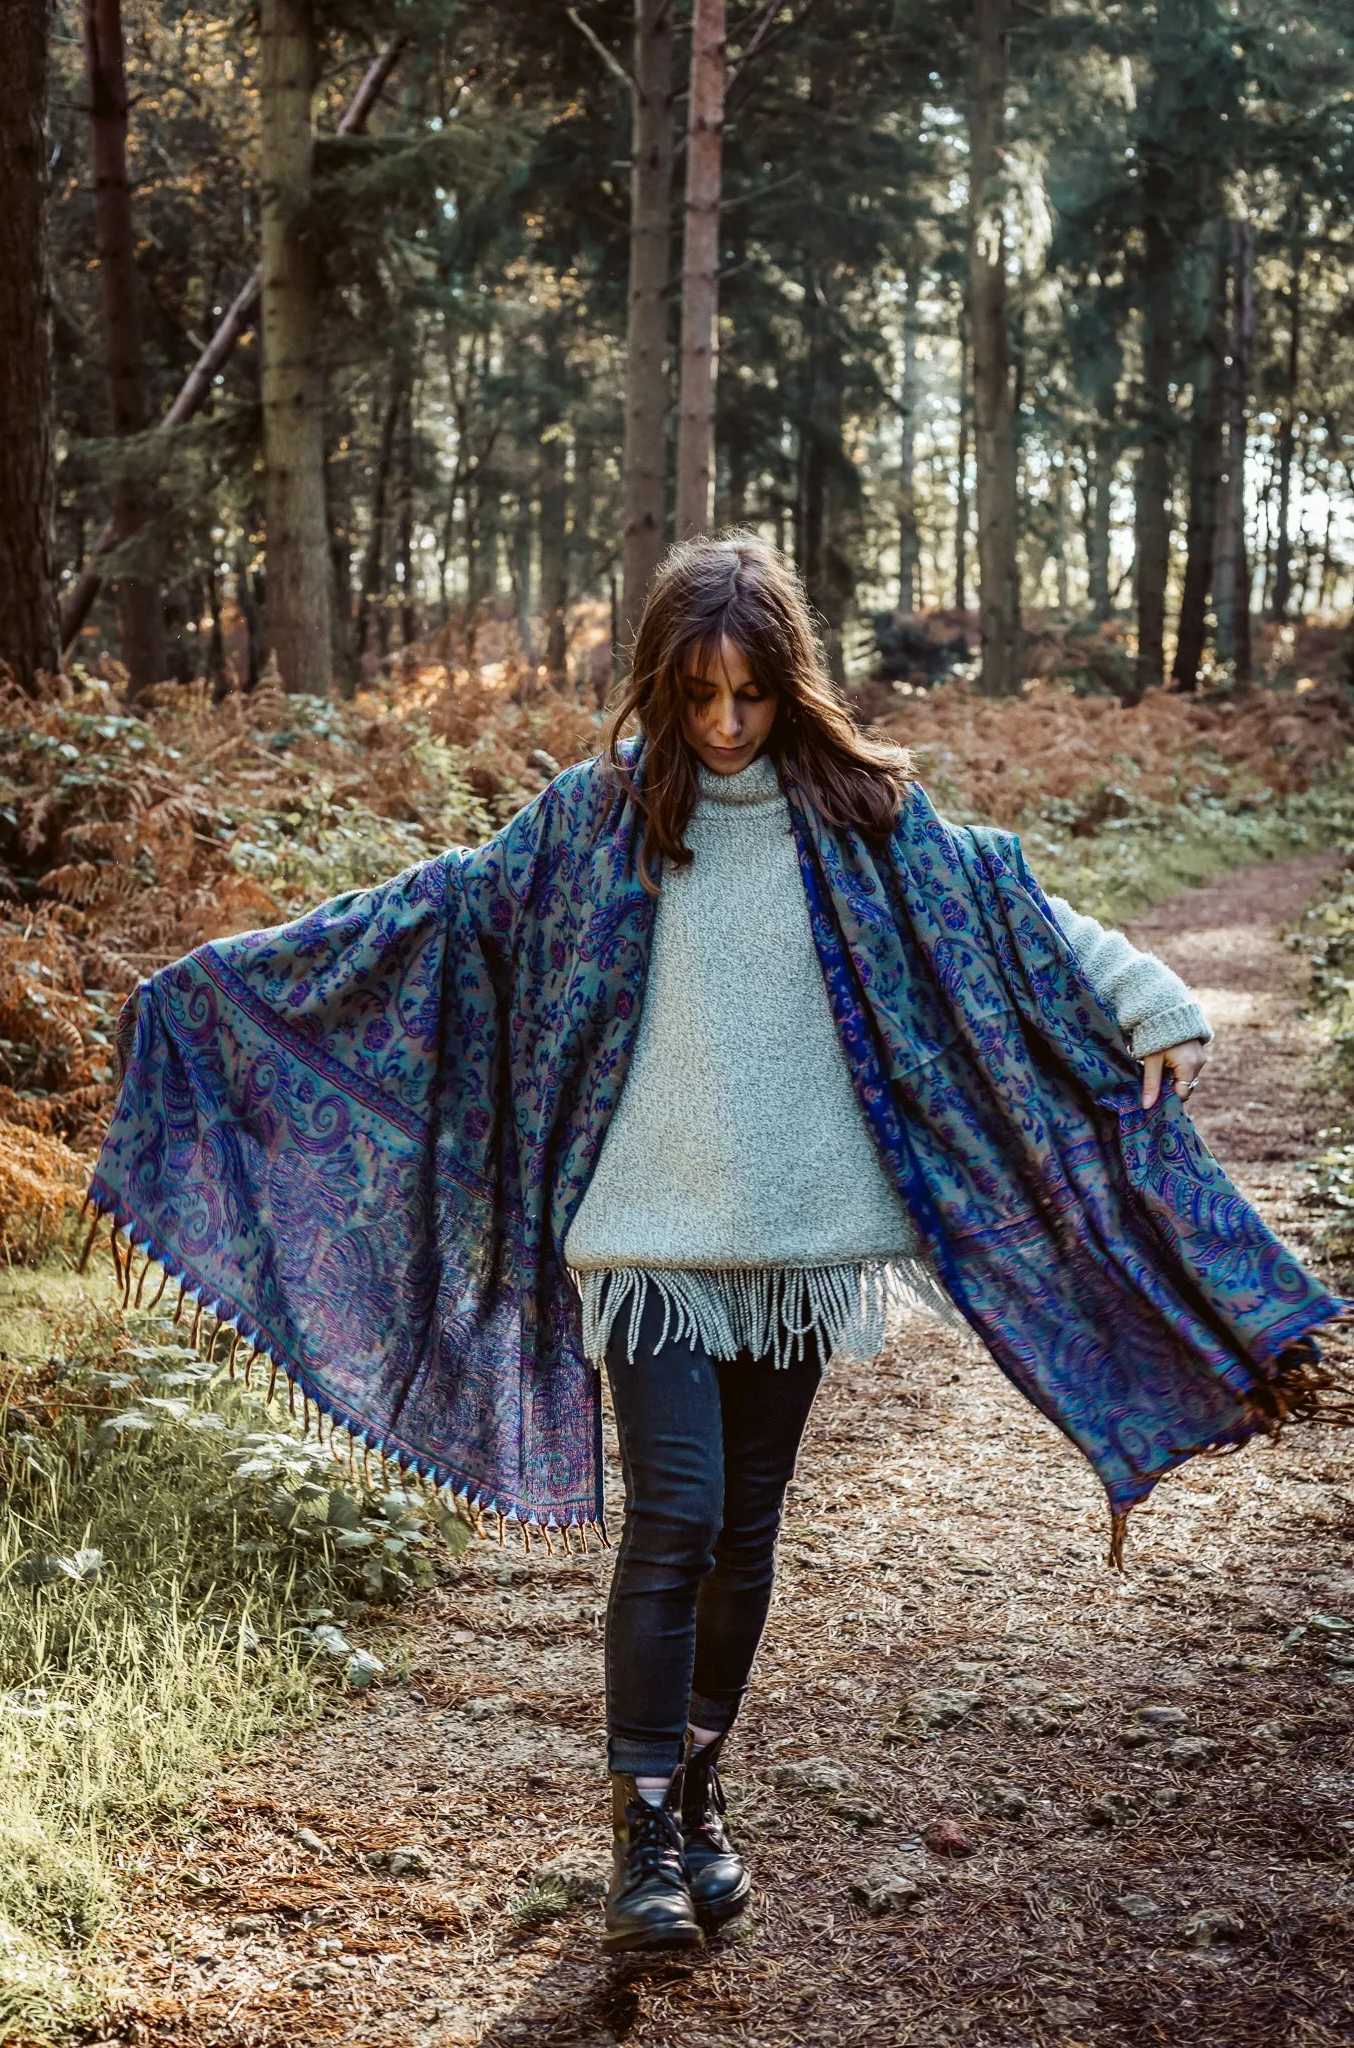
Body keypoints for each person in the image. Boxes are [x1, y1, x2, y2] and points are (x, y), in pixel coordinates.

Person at [87, 536, 1342, 1960]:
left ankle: (695, 1798)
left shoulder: (862, 817)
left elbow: (1012, 911)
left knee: (747, 1532)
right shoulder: (597, 818)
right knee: (675, 1514)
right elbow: (433, 914)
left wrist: (1153, 998)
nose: (729, 726)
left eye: (751, 696)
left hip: (798, 1246)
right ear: (662, 689)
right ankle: (640, 1842)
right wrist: (225, 985)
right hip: (645, 1238)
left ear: (789, 685)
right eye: (701, 698)